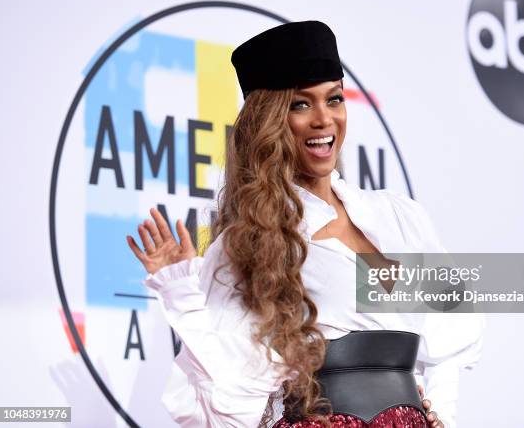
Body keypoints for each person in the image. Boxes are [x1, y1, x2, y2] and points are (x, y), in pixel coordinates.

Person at [126, 21, 485, 428]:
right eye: (301, 104)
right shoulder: (252, 242)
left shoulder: (396, 216)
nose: (323, 119)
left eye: (334, 99)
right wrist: (179, 291)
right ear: (270, 122)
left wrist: (438, 414)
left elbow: (451, 331)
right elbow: (227, 391)